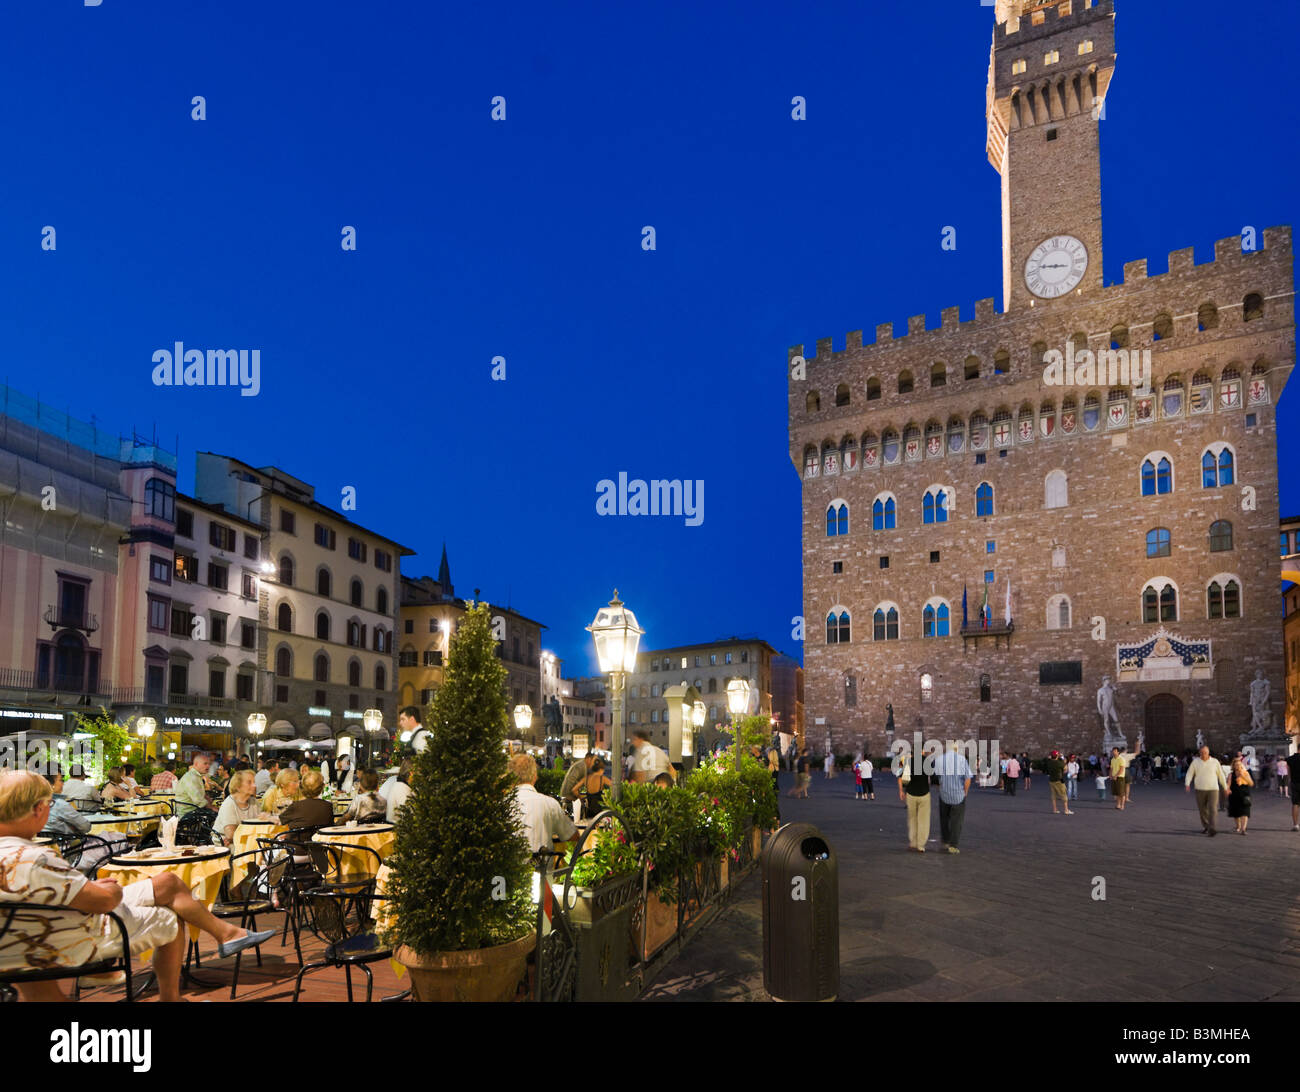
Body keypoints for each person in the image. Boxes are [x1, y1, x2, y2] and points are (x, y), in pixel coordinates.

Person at [0, 770, 275, 1002]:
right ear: (38, 809)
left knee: (167, 883)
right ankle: (172, 997)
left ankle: (227, 934)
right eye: (49, 803)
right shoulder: (36, 858)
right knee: (170, 915)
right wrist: (109, 889)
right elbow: (103, 903)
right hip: (76, 935)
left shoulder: (16, 853)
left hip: (19, 944)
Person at [508, 753, 577, 855]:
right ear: (535, 777)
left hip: (507, 869)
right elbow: (572, 835)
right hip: (542, 867)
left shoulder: (502, 804)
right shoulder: (549, 803)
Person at [935, 742, 972, 854]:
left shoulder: (940, 759)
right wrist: (965, 791)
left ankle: (945, 842)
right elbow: (968, 778)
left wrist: (940, 789)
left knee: (944, 819)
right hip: (958, 795)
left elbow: (936, 778)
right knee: (957, 821)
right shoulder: (962, 759)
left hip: (944, 794)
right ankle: (953, 845)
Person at [213, 770, 267, 846]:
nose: (254, 785)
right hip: (227, 846)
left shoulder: (253, 802)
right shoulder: (229, 804)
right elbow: (230, 835)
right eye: (249, 782)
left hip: (248, 841)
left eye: (254, 782)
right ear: (238, 786)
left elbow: (262, 824)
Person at [1185, 745, 1229, 836]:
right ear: (1199, 753)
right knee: (1202, 810)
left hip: (1213, 789)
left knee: (1213, 808)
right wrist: (1187, 784)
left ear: (1208, 753)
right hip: (1200, 789)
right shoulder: (1195, 762)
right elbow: (1189, 773)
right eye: (1201, 753)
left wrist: (1225, 787)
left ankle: (1212, 828)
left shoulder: (1215, 762)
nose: (1203, 754)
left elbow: (1221, 775)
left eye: (1205, 752)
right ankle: (1206, 826)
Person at [898, 745, 933, 853]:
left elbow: (902, 778)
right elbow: (933, 777)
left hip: (911, 794)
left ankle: (913, 842)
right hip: (924, 793)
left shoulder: (908, 762)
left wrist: (901, 791)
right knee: (923, 821)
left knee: (912, 819)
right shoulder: (927, 761)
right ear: (922, 750)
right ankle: (920, 845)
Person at [39, 772, 92, 838]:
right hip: (69, 845)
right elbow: (86, 827)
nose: (63, 784)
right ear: (51, 784)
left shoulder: (34, 805)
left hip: (42, 845)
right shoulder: (59, 805)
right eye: (61, 780)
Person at [280, 769, 333, 834]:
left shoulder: (296, 806)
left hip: (296, 843)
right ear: (322, 788)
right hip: (319, 843)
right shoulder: (328, 806)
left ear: (302, 787)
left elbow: (280, 821)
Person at [1227, 754, 1253, 835]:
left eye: (1239, 764)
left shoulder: (1246, 773)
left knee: (1245, 812)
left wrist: (1243, 777)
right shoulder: (1231, 774)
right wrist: (1227, 790)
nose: (1238, 766)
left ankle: (1243, 829)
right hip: (1234, 795)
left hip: (1245, 795)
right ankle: (1238, 826)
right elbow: (1228, 784)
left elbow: (1251, 783)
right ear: (1233, 766)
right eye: (1236, 765)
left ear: (1242, 765)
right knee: (1236, 813)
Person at [1044, 751, 1073, 815]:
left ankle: (1055, 809)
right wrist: (1062, 757)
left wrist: (1058, 757)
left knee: (1054, 795)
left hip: (1051, 780)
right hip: (1059, 780)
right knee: (1064, 794)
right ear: (1057, 756)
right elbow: (1065, 769)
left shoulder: (1049, 762)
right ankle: (1066, 810)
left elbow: (1048, 758)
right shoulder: (1059, 763)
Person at [1109, 746, 1136, 811]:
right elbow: (1111, 768)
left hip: (1120, 777)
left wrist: (1116, 775)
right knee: (1117, 792)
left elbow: (1121, 769)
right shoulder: (1112, 759)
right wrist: (1110, 775)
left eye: (1115, 751)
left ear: (1118, 752)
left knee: (1121, 792)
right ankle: (1118, 805)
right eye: (1113, 751)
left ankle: (1122, 806)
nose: (1113, 752)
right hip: (1114, 777)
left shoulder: (1121, 759)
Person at [386, 759, 413, 824]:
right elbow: (408, 815)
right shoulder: (401, 788)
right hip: (396, 830)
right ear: (411, 772)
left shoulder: (402, 786)